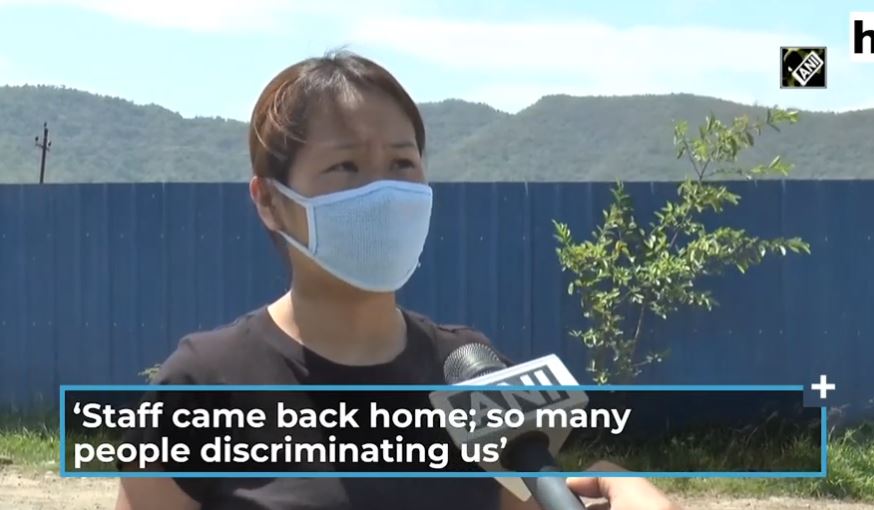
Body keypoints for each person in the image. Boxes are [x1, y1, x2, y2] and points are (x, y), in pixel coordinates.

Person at [114, 51, 682, 510]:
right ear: (269, 201)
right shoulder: (204, 384)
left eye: (402, 164)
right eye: (346, 166)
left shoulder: (470, 367)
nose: (383, 193)